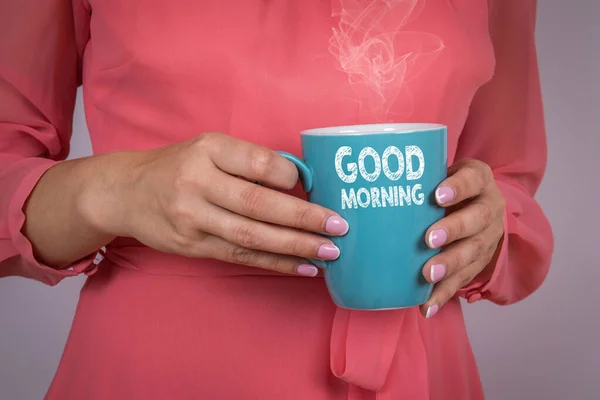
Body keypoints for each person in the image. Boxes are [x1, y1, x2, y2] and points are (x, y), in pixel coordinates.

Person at [0, 0, 553, 398]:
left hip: (422, 371)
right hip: (167, 370)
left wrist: (485, 228)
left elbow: (505, 184)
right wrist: (114, 191)